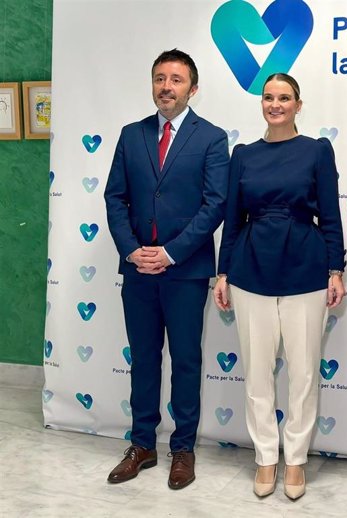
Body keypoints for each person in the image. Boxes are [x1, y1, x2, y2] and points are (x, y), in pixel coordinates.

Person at [212, 73, 345, 500]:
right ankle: (266, 458)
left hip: (306, 269)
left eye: (284, 97)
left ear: (298, 104)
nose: (275, 104)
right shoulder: (243, 155)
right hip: (251, 269)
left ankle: (296, 460)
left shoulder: (317, 151)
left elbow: (330, 215)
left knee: (304, 374)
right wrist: (223, 272)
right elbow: (232, 218)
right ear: (261, 103)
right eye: (268, 97)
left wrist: (335, 269)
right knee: (257, 373)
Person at [104, 49, 229, 490]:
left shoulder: (211, 138)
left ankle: (183, 449)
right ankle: (142, 445)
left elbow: (215, 204)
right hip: (137, 269)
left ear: (192, 88)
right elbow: (115, 198)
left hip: (185, 270)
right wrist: (132, 250)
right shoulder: (130, 135)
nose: (166, 86)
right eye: (160, 78)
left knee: (187, 362)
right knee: (142, 360)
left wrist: (171, 252)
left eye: (176, 79)